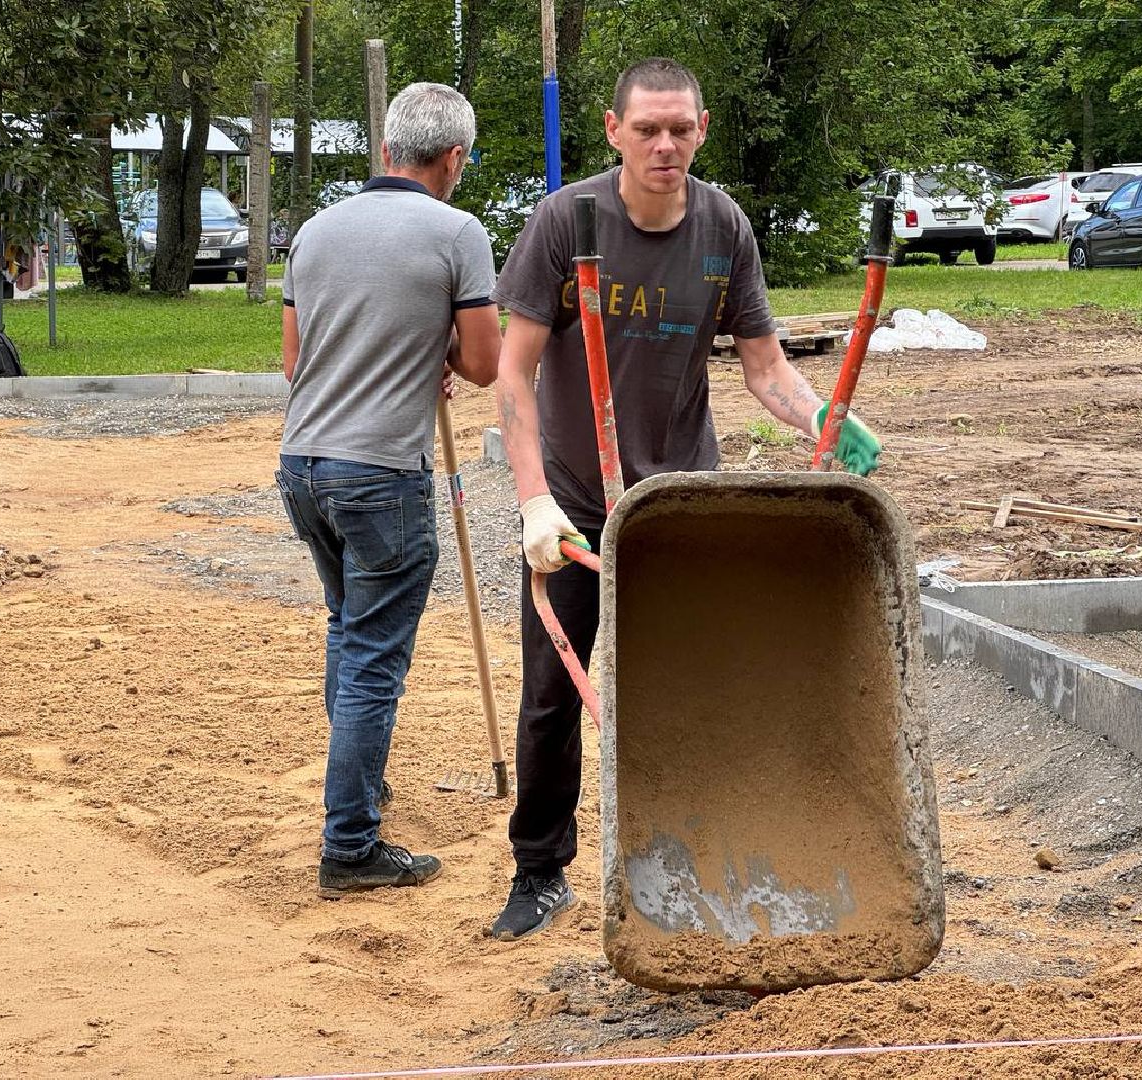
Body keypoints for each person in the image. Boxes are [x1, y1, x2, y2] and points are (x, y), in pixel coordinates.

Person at [488, 58, 882, 940]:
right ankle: (538, 870)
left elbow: (763, 364)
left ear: (702, 129)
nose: (665, 145)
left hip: (677, 503)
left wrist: (821, 418)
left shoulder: (723, 225)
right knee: (554, 689)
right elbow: (511, 375)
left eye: (681, 129)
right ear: (612, 129)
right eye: (647, 129)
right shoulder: (563, 222)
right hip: (579, 502)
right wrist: (532, 502)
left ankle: (700, 849)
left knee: (690, 687)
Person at [276, 82, 501, 898]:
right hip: (381, 475)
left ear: (385, 151)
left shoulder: (313, 231)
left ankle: (359, 790)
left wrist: (408, 354)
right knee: (373, 659)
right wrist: (434, 349)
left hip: (302, 465)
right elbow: (482, 364)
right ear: (455, 158)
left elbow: (297, 363)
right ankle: (350, 845)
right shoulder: (457, 232)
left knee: (348, 630)